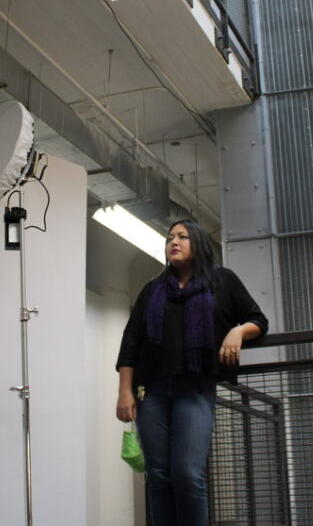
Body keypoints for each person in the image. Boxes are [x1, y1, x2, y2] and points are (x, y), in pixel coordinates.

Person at [115, 219, 268, 526]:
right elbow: (131, 341)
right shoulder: (153, 290)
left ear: (197, 243)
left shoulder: (222, 281)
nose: (174, 241)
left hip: (195, 388)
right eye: (171, 237)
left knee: (186, 472)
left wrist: (237, 332)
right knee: (159, 476)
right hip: (152, 392)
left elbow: (259, 321)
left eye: (183, 237)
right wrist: (125, 391)